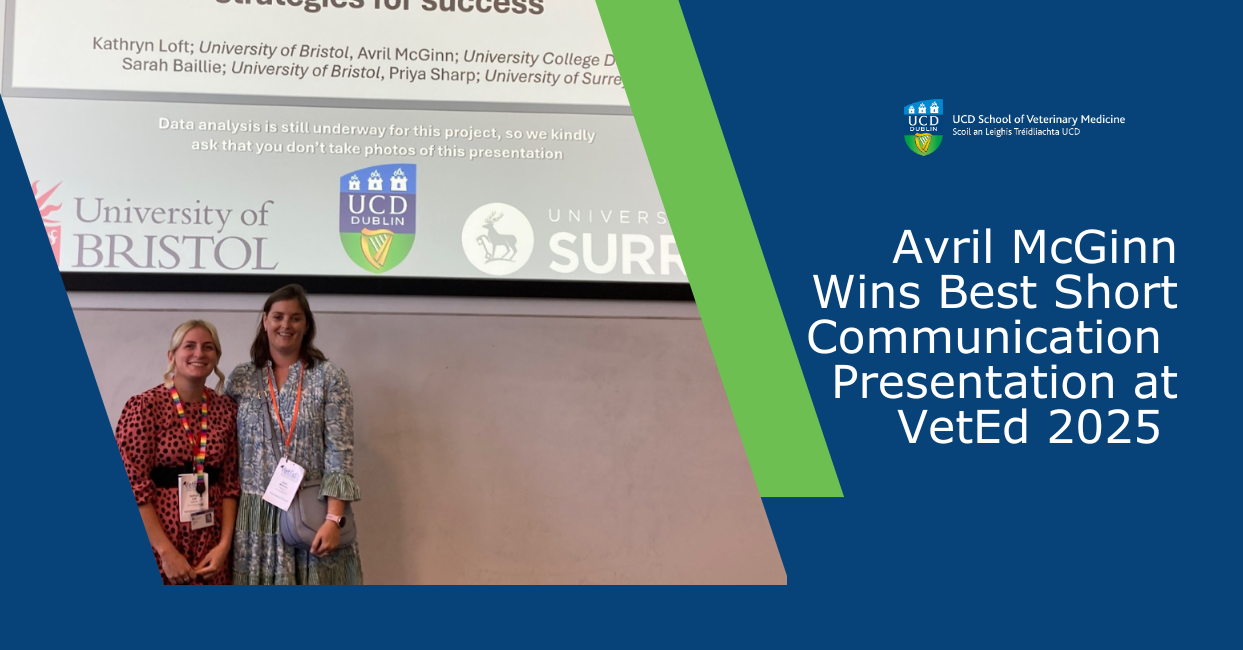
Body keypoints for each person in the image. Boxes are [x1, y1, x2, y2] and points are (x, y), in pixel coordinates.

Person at [226, 284, 363, 584]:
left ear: (307, 325)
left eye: (295, 318)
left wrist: (334, 519)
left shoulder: (329, 377)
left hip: (312, 515)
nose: (285, 325)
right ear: (265, 321)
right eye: (278, 316)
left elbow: (340, 453)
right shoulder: (241, 378)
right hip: (255, 521)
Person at [114, 320, 240, 585]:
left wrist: (224, 546)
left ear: (216, 357)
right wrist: (165, 552)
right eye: (189, 346)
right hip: (159, 542)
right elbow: (133, 485)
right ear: (171, 356)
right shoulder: (145, 407)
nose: (199, 353)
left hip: (211, 542)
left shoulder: (226, 409)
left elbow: (230, 484)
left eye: (208, 347)